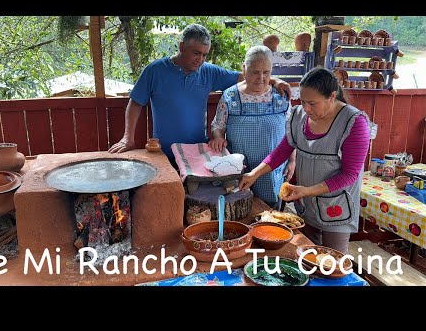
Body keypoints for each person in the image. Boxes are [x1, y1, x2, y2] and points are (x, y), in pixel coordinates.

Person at [108, 23, 291, 164]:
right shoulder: (155, 70)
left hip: (197, 153)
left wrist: (274, 80)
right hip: (164, 153)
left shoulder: (209, 71)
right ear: (181, 46)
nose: (201, 60)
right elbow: (136, 102)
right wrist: (127, 138)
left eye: (205, 55)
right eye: (196, 53)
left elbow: (246, 75)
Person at [238, 67, 371, 254]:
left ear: (332, 97)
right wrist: (255, 173)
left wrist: (306, 191)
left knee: (334, 260)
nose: (306, 108)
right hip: (306, 204)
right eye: (302, 101)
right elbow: (282, 151)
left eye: (312, 103)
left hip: (337, 207)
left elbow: (349, 175)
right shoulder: (298, 115)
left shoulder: (354, 123)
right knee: (308, 254)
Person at [208, 45, 296, 207]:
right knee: (239, 207)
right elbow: (218, 125)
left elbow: (292, 132)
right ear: (244, 69)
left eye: (266, 72)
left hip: (271, 170)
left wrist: (292, 160)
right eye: (255, 72)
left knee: (269, 216)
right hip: (239, 169)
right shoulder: (230, 96)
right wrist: (219, 137)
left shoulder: (281, 96)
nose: (261, 78)